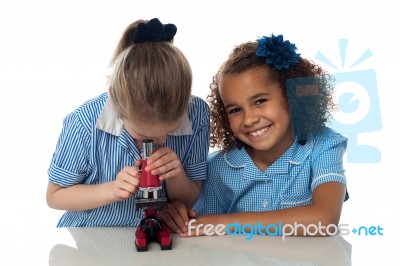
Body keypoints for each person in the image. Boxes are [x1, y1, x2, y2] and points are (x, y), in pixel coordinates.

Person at [160, 34, 349, 237]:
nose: (249, 119)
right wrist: (178, 216)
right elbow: (204, 228)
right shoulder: (218, 169)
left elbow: (325, 219)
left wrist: (230, 223)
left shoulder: (323, 146)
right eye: (234, 110)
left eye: (259, 101)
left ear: (291, 95)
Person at [46, 18, 210, 227]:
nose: (161, 140)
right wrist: (112, 190)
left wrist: (175, 175)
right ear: (116, 102)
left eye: (173, 128)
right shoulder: (83, 124)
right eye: (142, 134)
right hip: (93, 239)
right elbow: (55, 196)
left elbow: (192, 196)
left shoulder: (198, 114)